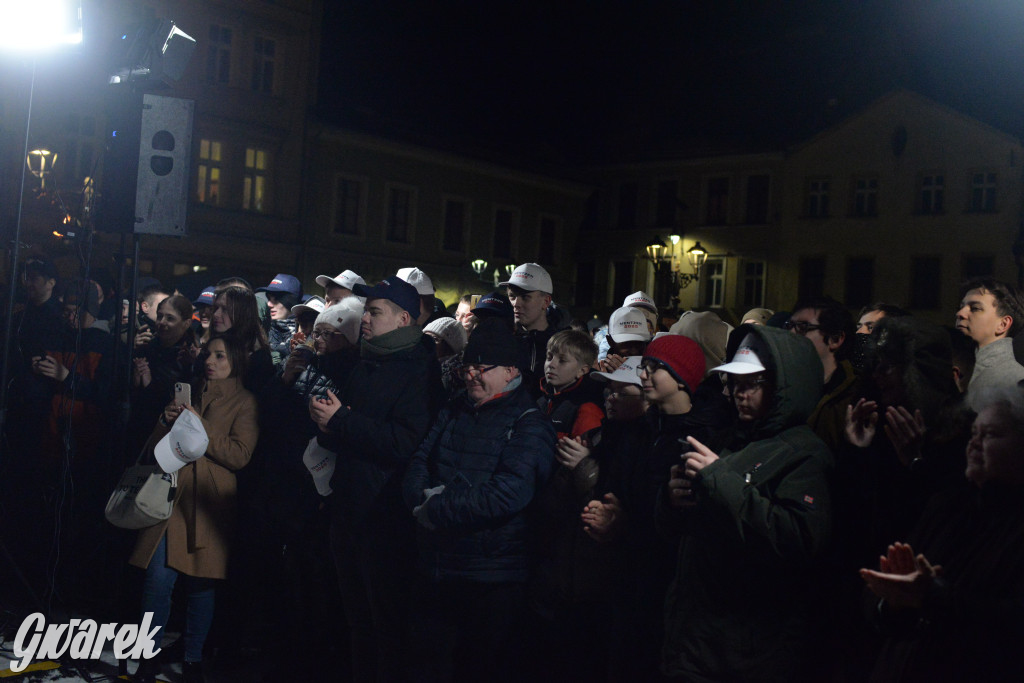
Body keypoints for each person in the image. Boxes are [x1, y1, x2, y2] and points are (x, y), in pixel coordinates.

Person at [661, 325, 833, 682]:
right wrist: (670, 500)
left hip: (748, 651)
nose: (739, 392)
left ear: (784, 386)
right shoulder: (729, 440)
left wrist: (719, 478)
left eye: (752, 382)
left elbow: (798, 538)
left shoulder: (805, 455)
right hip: (697, 638)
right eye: (735, 382)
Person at [402, 317, 556, 683]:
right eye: (468, 366)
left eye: (481, 368)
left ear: (510, 371)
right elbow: (420, 461)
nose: (471, 375)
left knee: (478, 667)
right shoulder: (455, 407)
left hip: (490, 578)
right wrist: (417, 499)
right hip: (438, 566)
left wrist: (436, 509)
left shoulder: (529, 423)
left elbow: (508, 494)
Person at [308, 275, 441, 683]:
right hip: (348, 511)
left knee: (386, 627)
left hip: (384, 519)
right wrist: (327, 424)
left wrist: (343, 420)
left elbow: (406, 441)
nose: (365, 318)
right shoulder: (366, 360)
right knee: (357, 623)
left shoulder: (419, 370)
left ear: (404, 318)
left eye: (375, 311)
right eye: (366, 310)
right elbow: (350, 426)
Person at [860, 384, 1024, 682]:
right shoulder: (947, 505)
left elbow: (1009, 628)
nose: (975, 444)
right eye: (974, 433)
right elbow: (885, 610)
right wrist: (893, 603)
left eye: (991, 435)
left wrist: (933, 596)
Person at [130, 334, 259, 683]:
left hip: (208, 503)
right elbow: (155, 448)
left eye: (220, 356)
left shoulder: (245, 402)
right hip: (171, 497)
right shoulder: (186, 392)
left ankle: (192, 659)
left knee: (202, 585)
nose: (211, 361)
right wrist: (165, 418)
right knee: (157, 581)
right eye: (209, 354)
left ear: (235, 361)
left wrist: (199, 431)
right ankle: (147, 656)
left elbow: (240, 455)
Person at [128, 295, 197, 458]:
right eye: (160, 316)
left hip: (168, 440)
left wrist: (150, 383)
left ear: (186, 323)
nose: (162, 322)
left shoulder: (190, 357)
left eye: (170, 318)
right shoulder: (146, 348)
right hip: (139, 433)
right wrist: (136, 379)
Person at [788, 296, 858, 452]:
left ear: (835, 339)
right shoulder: (783, 386)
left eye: (803, 327)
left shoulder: (853, 398)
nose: (791, 334)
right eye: (790, 326)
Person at [954, 277, 1024, 409]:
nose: (960, 313)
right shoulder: (960, 369)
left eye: (975, 308)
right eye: (961, 307)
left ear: (1003, 324)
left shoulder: (1015, 382)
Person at [500, 263, 563, 398]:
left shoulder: (563, 346)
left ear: (546, 301)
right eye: (512, 296)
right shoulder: (502, 341)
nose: (516, 304)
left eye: (525, 297)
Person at [208, 286, 274, 392]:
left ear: (242, 314)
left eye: (225, 309)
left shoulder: (258, 359)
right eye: (216, 308)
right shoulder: (211, 348)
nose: (216, 314)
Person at [256, 273, 303, 366]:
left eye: (276, 299)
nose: (269, 304)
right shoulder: (261, 332)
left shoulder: (309, 332)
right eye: (268, 298)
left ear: (291, 301)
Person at [424, 316, 467, 398]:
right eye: (425, 337)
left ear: (449, 347)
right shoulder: (420, 365)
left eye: (434, 339)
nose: (427, 343)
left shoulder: (451, 378)